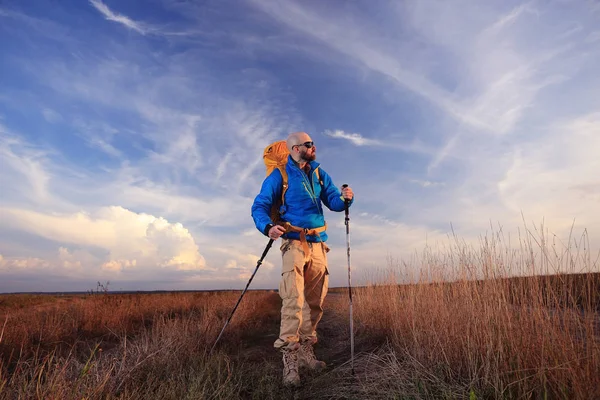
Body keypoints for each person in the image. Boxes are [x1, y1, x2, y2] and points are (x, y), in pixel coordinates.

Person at [251, 131, 354, 387]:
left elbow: (333, 201)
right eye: (308, 144)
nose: (313, 147)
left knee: (315, 302)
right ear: (295, 149)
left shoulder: (319, 173)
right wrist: (267, 227)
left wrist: (346, 199)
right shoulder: (280, 175)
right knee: (293, 301)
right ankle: (290, 361)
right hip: (294, 243)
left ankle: (308, 352)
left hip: (319, 244)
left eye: (313, 143)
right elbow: (260, 205)